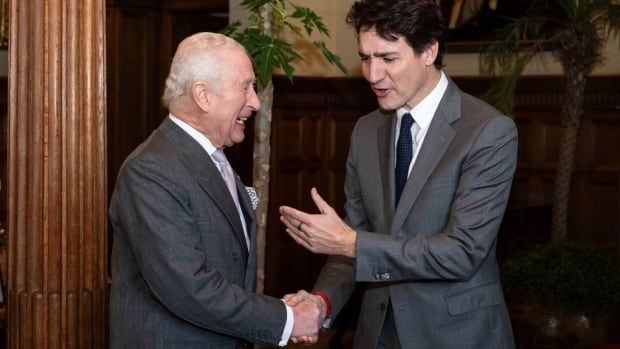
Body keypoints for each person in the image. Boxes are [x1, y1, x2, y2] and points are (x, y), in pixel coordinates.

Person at [279, 1, 517, 348]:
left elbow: (462, 252)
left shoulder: (488, 131)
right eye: (365, 57)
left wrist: (352, 242)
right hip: (377, 334)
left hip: (458, 336)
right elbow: (351, 240)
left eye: (388, 59)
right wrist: (321, 302)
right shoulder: (365, 131)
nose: (373, 75)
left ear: (429, 51)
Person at [109, 32, 323, 348]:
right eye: (245, 87)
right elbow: (189, 288)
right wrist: (286, 319)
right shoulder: (151, 171)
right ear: (203, 96)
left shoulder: (212, 157)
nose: (255, 101)